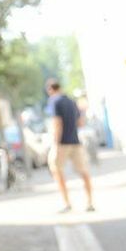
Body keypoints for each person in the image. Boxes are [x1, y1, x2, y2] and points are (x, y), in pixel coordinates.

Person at [45, 78, 93, 213]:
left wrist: (55, 144)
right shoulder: (71, 101)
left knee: (57, 170)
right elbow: (81, 123)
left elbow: (57, 124)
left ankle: (67, 203)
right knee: (84, 172)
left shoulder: (54, 101)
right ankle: (90, 202)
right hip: (75, 142)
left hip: (62, 143)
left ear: (50, 90)